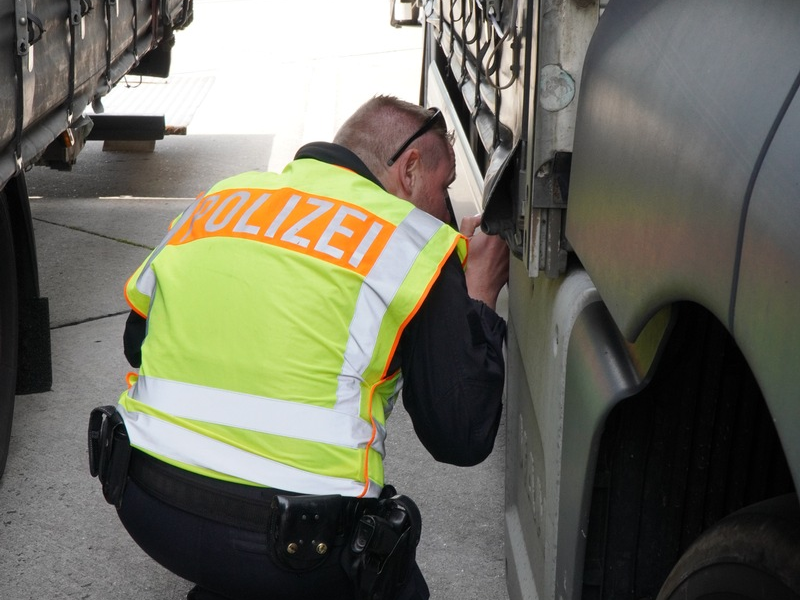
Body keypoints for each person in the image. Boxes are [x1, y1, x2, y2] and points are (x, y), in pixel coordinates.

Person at [89, 95, 509, 600]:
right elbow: (462, 437)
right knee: (393, 569)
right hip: (298, 546)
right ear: (411, 170)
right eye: (445, 190)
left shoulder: (223, 197)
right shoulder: (411, 244)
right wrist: (479, 297)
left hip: (145, 503)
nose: (446, 212)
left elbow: (137, 343)